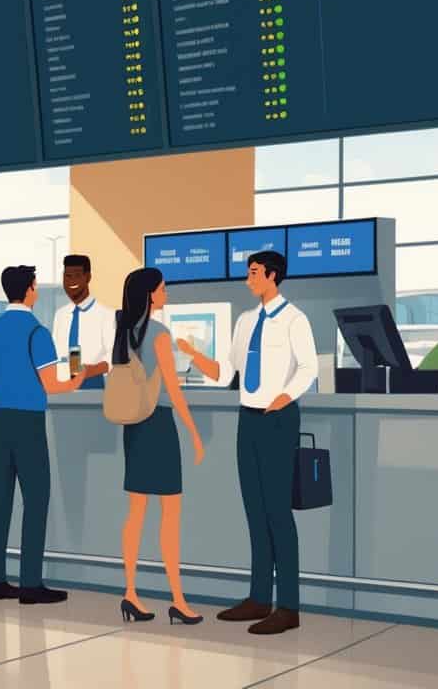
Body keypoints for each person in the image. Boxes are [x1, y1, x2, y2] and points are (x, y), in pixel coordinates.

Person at [178, 250, 316, 635]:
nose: (248, 280)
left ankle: (288, 606)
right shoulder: (245, 321)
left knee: (277, 513)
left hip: (278, 420)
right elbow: (227, 371)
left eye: (253, 273)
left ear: (272, 275)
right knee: (254, 510)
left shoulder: (294, 320)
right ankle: (259, 597)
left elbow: (309, 367)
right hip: (248, 419)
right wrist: (193, 355)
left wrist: (285, 397)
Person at [0, 265, 85, 605]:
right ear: (30, 290)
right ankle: (30, 583)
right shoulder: (37, 332)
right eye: (35, 285)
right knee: (36, 499)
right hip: (28, 423)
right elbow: (52, 385)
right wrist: (78, 378)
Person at [113, 269, 205, 626]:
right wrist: (194, 433)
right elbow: (174, 391)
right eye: (163, 288)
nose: (167, 292)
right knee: (170, 515)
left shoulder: (125, 333)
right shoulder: (160, 334)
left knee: (135, 512)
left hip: (134, 427)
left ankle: (131, 593)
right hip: (159, 426)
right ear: (150, 294)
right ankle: (178, 600)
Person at [52, 255, 116, 389]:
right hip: (62, 386)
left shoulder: (106, 315)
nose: (71, 281)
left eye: (76, 275)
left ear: (88, 277)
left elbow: (113, 357)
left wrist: (89, 371)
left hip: (93, 385)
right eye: (67, 276)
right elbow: (56, 353)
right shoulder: (60, 315)